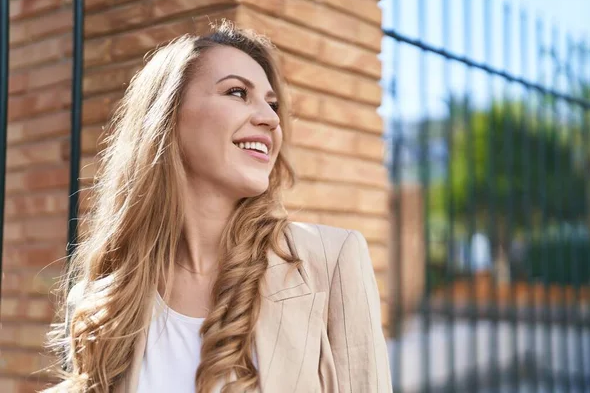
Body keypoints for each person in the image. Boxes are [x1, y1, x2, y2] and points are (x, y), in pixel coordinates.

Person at [44, 21, 392, 393]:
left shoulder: (330, 261)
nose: (272, 119)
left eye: (272, 104)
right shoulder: (104, 297)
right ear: (168, 117)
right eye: (238, 92)